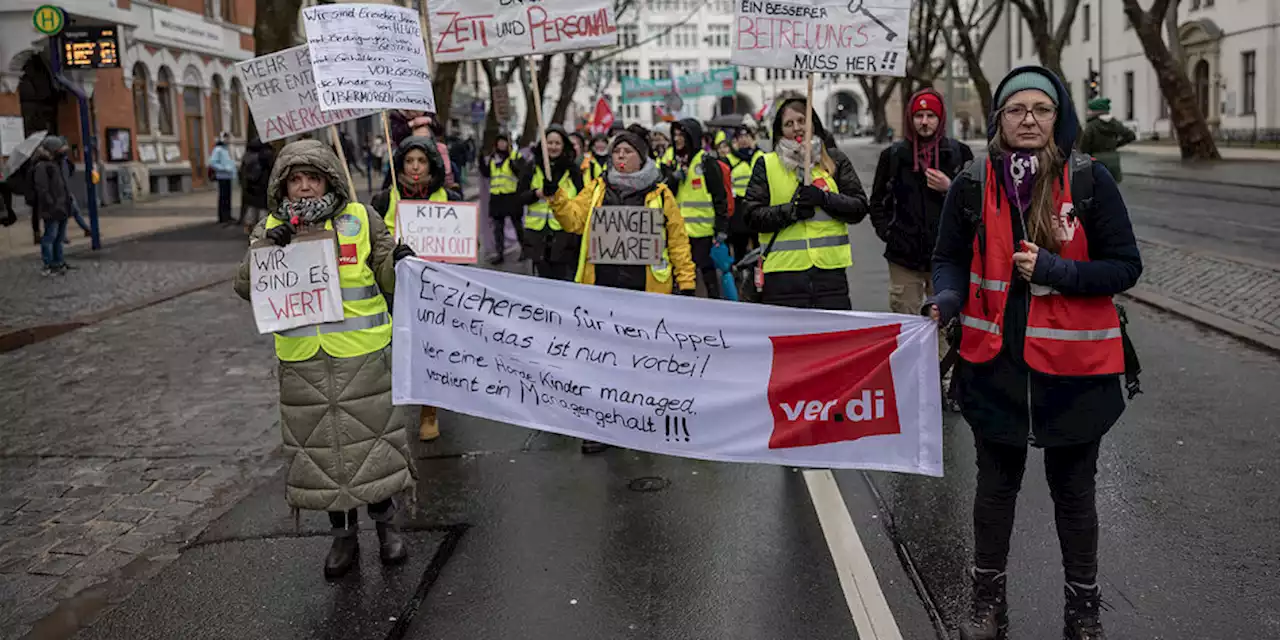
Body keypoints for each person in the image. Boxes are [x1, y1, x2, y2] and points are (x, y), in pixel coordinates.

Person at [930, 66, 1142, 640]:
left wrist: (1057, 270)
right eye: (1017, 109)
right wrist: (946, 299)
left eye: (1040, 109)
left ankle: (1083, 612)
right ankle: (986, 605)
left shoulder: (1090, 181)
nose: (1029, 119)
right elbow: (947, 257)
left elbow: (1126, 267)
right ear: (999, 118)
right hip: (993, 366)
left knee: (1074, 496)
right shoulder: (973, 183)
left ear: (1057, 117)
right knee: (994, 493)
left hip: (1075, 373)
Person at [233, 139, 417, 580]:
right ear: (283, 186)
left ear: (329, 179)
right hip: (304, 364)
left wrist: (402, 261)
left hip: (362, 360)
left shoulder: (360, 218)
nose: (304, 188)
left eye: (312, 178)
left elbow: (387, 277)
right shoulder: (271, 228)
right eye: (295, 180)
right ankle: (343, 537)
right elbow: (244, 287)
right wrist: (265, 251)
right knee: (325, 460)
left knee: (373, 449)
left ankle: (387, 527)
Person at [548, 130, 696, 454]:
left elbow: (677, 240)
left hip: (645, 291)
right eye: (617, 153)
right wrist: (555, 197)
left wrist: (686, 283)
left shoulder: (660, 194)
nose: (620, 158)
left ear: (641, 157)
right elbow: (573, 219)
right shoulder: (598, 188)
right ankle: (605, 427)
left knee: (642, 361)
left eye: (627, 152)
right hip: (602, 288)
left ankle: (641, 420)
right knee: (603, 361)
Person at [869, 88, 973, 408]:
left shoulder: (959, 153)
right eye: (918, 116)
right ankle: (914, 387)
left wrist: (949, 186)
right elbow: (877, 204)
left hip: (949, 258)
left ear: (940, 119)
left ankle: (947, 384)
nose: (924, 121)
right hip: (905, 257)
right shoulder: (894, 156)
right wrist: (891, 234)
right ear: (910, 120)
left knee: (946, 322)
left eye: (930, 116)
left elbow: (976, 202)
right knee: (909, 321)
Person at [740, 98, 869, 309]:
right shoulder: (767, 164)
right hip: (783, 277)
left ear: (813, 125)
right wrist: (791, 212)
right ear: (780, 131)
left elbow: (859, 208)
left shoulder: (835, 160)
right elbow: (751, 216)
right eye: (789, 124)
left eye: (802, 121)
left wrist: (825, 199)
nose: (797, 128)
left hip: (829, 276)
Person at [372, 136, 449, 442]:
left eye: (421, 161)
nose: (415, 167)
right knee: (402, 346)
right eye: (409, 161)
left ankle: (429, 410)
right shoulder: (386, 197)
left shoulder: (448, 195)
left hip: (436, 285)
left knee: (431, 347)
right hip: (398, 283)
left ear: (431, 164)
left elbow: (464, 240)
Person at [665, 118, 730, 298]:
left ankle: (715, 306)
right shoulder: (675, 163)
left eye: (681, 135)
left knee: (707, 274)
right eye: (675, 135)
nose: (677, 139)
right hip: (680, 231)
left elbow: (720, 197)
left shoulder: (706, 162)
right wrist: (673, 178)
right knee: (685, 274)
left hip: (703, 232)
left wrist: (721, 228)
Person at [517, 125, 584, 281]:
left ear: (563, 145)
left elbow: (581, 200)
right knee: (542, 280)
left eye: (557, 143)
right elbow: (519, 198)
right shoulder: (532, 167)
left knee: (563, 279)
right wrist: (537, 194)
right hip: (537, 235)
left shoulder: (572, 170)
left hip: (563, 235)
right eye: (550, 143)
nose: (553, 147)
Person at [479, 133, 526, 264]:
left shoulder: (515, 156)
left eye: (504, 142)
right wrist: (481, 159)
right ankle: (499, 253)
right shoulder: (494, 158)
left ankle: (525, 250)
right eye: (499, 142)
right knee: (498, 228)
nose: (502, 144)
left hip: (512, 196)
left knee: (518, 226)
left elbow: (523, 172)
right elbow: (487, 173)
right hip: (497, 197)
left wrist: (513, 164)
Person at [30, 136, 72, 275]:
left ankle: (58, 262)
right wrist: (52, 204)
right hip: (52, 208)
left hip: (62, 206)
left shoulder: (56, 163)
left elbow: (62, 184)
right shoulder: (42, 166)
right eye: (60, 149)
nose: (63, 152)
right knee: (50, 237)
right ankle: (49, 263)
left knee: (59, 238)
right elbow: (42, 189)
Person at [726, 125, 765, 262]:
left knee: (759, 245)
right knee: (739, 245)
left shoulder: (761, 156)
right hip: (738, 207)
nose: (743, 140)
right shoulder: (730, 159)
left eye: (746, 136)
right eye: (740, 137)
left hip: (757, 204)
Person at [1080, 97, 1136, 183]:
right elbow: (1131, 135)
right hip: (1113, 159)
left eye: (1090, 110)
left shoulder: (1091, 125)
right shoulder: (1115, 123)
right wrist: (1116, 144)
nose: (1088, 112)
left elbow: (1084, 145)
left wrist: (1085, 156)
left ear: (1097, 111)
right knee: (1112, 187)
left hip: (1096, 159)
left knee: (1098, 187)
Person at [237, 137, 274, 234]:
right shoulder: (267, 155)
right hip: (263, 186)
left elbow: (241, 173)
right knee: (263, 208)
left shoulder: (247, 156)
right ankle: (263, 229)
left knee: (252, 207)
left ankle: (249, 226)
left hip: (250, 187)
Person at [207, 132, 237, 225]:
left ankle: (228, 215)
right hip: (222, 176)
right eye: (226, 138)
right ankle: (223, 216)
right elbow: (212, 162)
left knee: (228, 197)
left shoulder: (228, 149)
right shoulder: (218, 149)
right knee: (223, 197)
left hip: (229, 176)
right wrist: (223, 168)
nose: (228, 140)